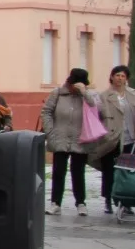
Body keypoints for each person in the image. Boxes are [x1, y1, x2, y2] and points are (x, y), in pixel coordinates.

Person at [40, 68, 99, 217]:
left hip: (80, 137)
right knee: (58, 171)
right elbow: (46, 111)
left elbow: (96, 108)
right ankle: (55, 203)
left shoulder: (88, 95)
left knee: (78, 172)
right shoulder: (57, 93)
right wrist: (50, 131)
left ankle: (81, 202)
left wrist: (84, 92)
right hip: (60, 136)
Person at [95, 65, 135, 215]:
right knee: (109, 170)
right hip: (112, 137)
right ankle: (108, 199)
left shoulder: (134, 95)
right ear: (112, 77)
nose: (120, 79)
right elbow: (98, 115)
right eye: (117, 75)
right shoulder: (104, 96)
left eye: (123, 76)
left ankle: (125, 202)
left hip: (130, 137)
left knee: (127, 172)